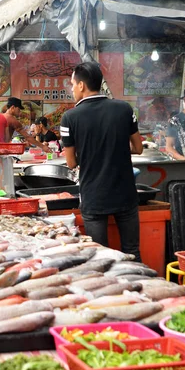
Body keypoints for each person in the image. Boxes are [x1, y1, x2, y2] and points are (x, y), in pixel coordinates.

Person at [61, 62, 143, 260]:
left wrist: (92, 153)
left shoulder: (69, 118)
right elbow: (138, 148)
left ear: (81, 86)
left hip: (94, 197)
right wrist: (116, 149)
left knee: (100, 257)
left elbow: (71, 163)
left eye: (72, 84)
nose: (72, 89)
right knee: (132, 251)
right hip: (125, 194)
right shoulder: (124, 108)